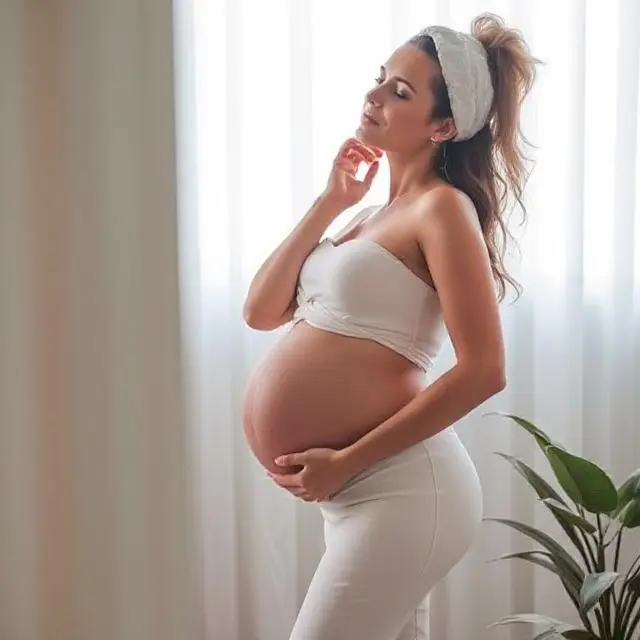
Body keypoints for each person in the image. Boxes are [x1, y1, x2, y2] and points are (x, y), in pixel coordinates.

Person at [242, 13, 538, 640]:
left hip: (402, 489)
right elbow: (261, 311)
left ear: (444, 126)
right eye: (380, 80)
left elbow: (486, 370)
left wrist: (347, 460)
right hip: (355, 495)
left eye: (400, 91)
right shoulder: (368, 214)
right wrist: (331, 201)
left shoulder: (443, 210)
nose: (373, 96)